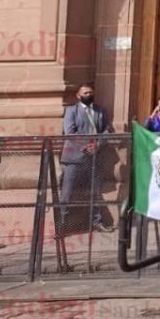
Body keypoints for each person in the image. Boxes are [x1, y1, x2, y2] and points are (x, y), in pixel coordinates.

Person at [60, 83, 114, 233]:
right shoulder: (71, 111)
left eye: (90, 92)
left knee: (94, 192)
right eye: (85, 93)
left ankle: (97, 222)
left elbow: (107, 129)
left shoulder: (100, 110)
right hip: (74, 158)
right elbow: (70, 131)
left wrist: (97, 144)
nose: (88, 95)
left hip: (94, 157)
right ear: (78, 95)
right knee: (67, 193)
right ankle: (61, 226)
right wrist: (87, 145)